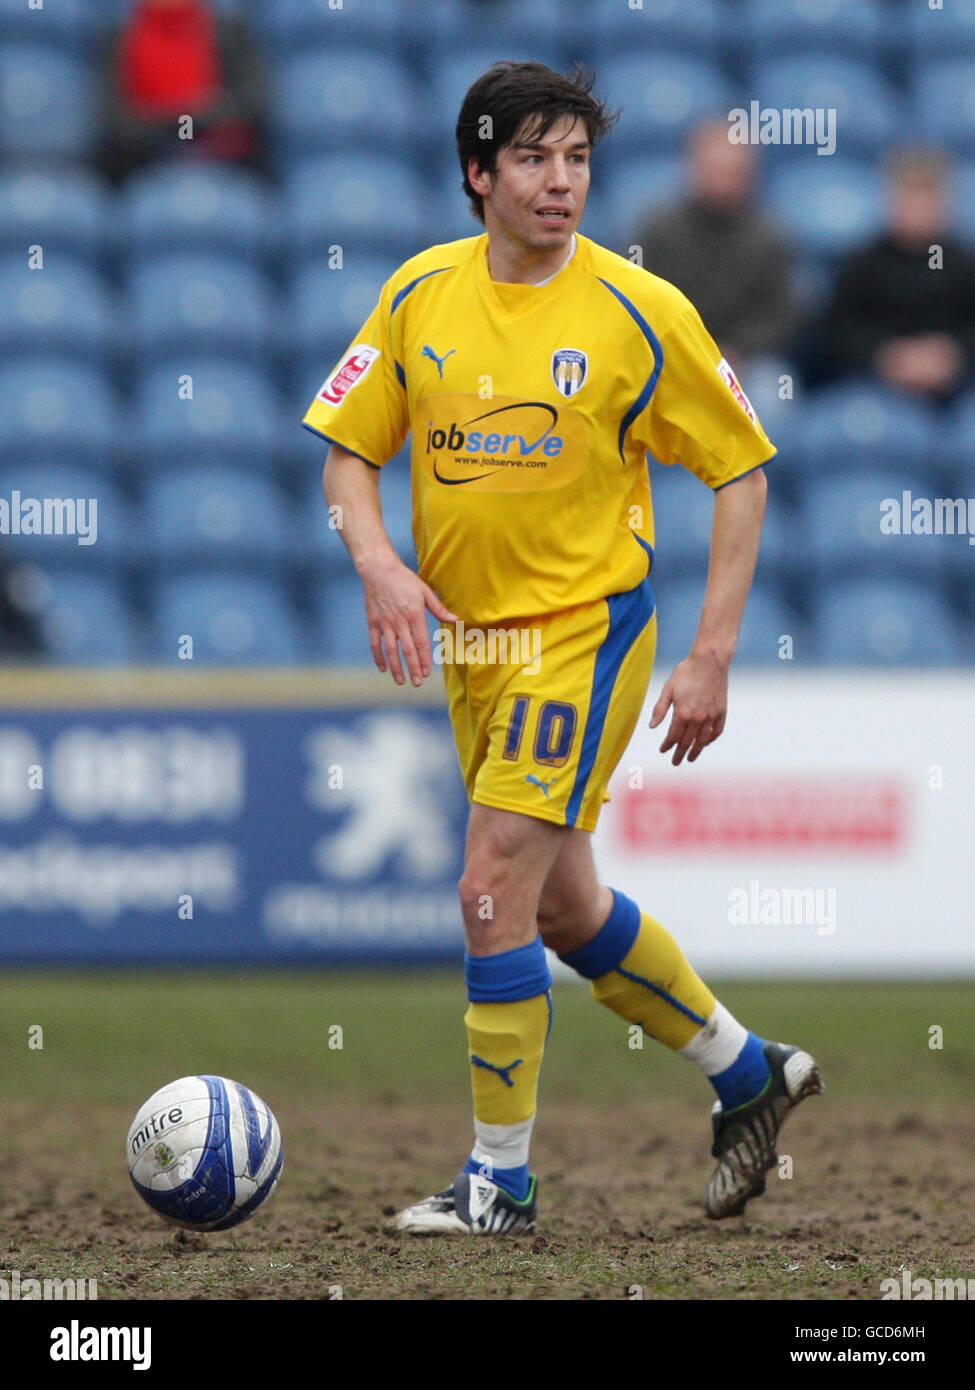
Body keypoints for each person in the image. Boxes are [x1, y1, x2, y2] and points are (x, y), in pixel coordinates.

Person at [303, 62, 822, 1236]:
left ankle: (500, 1182)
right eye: (533, 157)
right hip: (473, 649)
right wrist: (379, 564)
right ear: (478, 173)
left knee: (489, 889)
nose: (561, 181)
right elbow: (346, 452)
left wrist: (714, 653)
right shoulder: (419, 294)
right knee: (561, 910)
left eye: (578, 158)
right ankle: (748, 1070)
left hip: (584, 636)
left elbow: (742, 468)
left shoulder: (641, 309)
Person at [634, 120, 795, 373]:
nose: (723, 179)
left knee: (773, 390)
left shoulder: (770, 237)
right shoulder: (659, 230)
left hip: (746, 360)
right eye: (714, 168)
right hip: (670, 353)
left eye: (733, 170)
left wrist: (737, 350)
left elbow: (779, 314)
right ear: (694, 167)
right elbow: (638, 301)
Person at [821, 147, 975, 402]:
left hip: (958, 386)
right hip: (873, 383)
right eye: (908, 198)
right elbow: (837, 330)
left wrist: (953, 354)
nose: (918, 210)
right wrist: (884, 355)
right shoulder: (862, 263)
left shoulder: (965, 264)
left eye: (927, 198)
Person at [95, 0, 267, 185]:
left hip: (222, 157)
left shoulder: (228, 31)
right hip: (142, 160)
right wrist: (176, 125)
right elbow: (113, 117)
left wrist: (188, 121)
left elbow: (251, 101)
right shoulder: (120, 37)